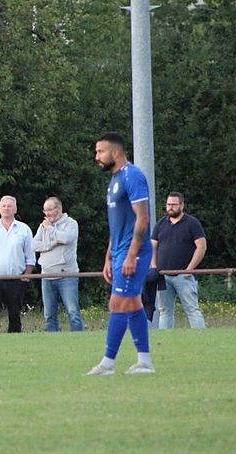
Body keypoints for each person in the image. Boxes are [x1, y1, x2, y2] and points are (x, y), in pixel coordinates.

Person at [86, 132, 155, 375]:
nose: (97, 156)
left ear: (115, 152)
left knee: (117, 303)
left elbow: (143, 218)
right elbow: (117, 224)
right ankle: (144, 361)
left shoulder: (132, 176)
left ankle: (108, 363)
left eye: (100, 151)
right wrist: (109, 256)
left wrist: (131, 255)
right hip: (119, 252)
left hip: (132, 252)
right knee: (133, 303)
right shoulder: (115, 179)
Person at [0, 196, 35, 333]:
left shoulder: (24, 229)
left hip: (16, 279)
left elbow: (30, 255)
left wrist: (26, 275)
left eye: (9, 206)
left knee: (15, 311)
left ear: (15, 209)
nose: (6, 208)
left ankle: (14, 337)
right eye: (3, 206)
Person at [151, 192, 207, 329]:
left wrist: (190, 269)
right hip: (163, 275)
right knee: (164, 311)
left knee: (192, 310)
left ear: (182, 205)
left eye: (174, 204)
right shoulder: (160, 224)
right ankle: (165, 339)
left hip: (184, 275)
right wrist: (153, 267)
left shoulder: (192, 223)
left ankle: (201, 338)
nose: (170, 207)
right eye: (168, 204)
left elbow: (201, 247)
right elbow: (152, 247)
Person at [33, 197, 83, 332]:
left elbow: (66, 238)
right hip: (46, 275)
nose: (47, 213)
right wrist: (51, 244)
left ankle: (79, 339)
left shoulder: (71, 224)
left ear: (59, 209)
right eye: (45, 210)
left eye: (50, 210)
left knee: (73, 312)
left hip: (67, 275)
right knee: (49, 315)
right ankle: (52, 341)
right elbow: (34, 245)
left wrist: (50, 229)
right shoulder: (43, 226)